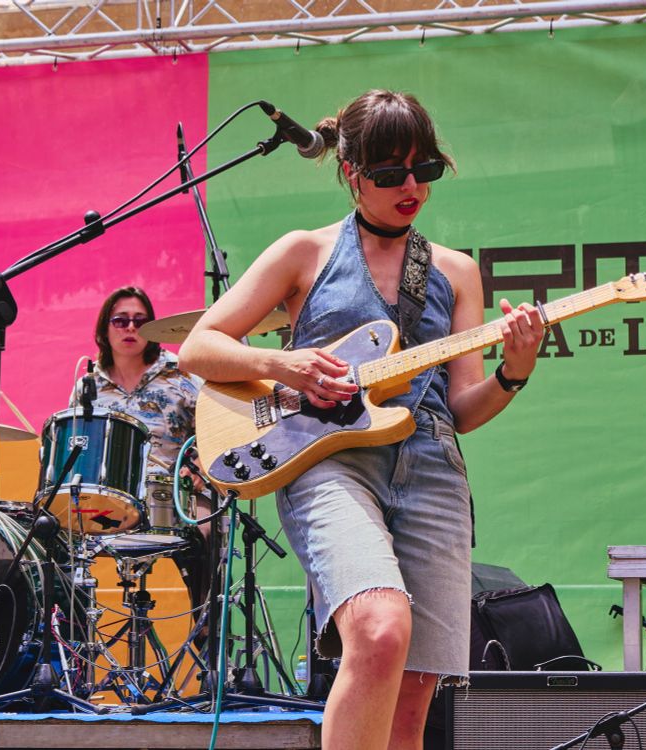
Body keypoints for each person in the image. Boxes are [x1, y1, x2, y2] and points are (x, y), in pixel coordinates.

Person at [179, 89, 544, 749]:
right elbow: (198, 347)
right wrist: (284, 364)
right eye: (391, 173)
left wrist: (512, 371)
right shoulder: (304, 252)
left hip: (433, 467)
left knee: (412, 699)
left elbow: (462, 409)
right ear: (352, 173)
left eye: (424, 170)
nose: (412, 187)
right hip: (330, 463)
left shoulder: (456, 271)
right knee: (378, 629)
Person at [75, 285, 210, 607]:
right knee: (60, 535)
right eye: (121, 320)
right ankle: (74, 632)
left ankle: (207, 626)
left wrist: (201, 465)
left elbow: (214, 428)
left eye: (140, 320)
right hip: (111, 497)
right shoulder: (88, 385)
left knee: (206, 533)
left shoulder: (182, 372)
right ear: (105, 329)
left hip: (177, 493)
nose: (131, 327)